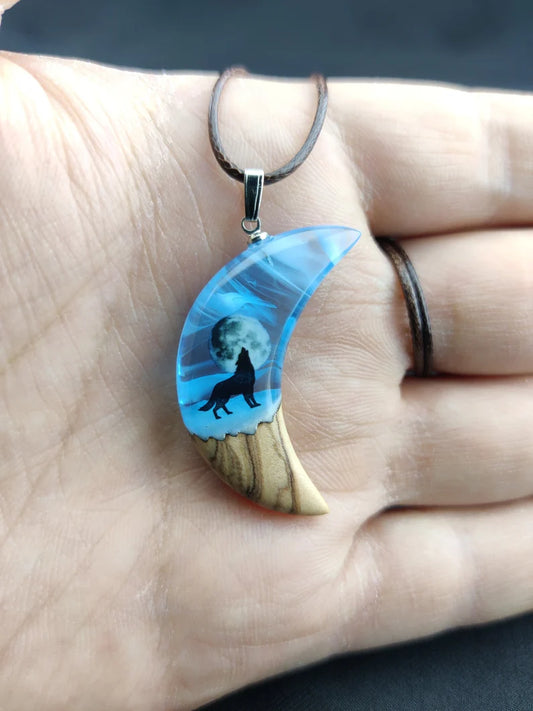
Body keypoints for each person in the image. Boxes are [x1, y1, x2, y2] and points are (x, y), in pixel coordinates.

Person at [1, 2, 532, 708]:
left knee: (241, 393)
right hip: (231, 407)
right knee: (238, 396)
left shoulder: (258, 302)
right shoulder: (245, 310)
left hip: (237, 398)